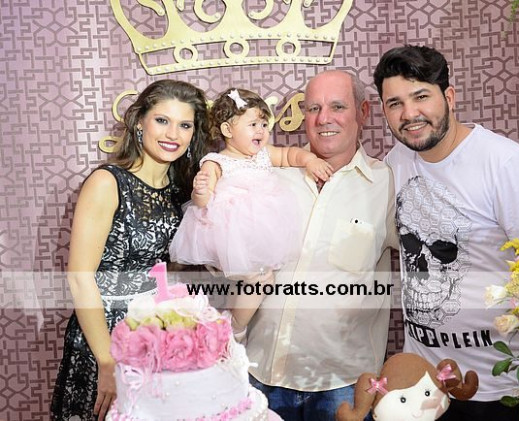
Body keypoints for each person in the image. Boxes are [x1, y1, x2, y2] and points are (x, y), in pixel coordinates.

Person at [373, 45, 519, 420]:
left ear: (449, 97)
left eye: (421, 96)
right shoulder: (395, 163)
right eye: (395, 103)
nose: (409, 114)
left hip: (503, 389)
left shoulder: (506, 164)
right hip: (424, 388)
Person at [50, 79, 210, 421]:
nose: (173, 134)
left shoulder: (181, 190)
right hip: (104, 338)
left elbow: (168, 268)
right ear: (140, 122)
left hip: (153, 338)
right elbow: (80, 278)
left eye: (184, 125)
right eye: (162, 120)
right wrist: (107, 361)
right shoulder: (107, 182)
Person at [243, 70, 399, 421]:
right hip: (260, 376)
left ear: (363, 112)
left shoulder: (386, 183)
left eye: (337, 107)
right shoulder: (270, 176)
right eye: (314, 108)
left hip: (344, 386)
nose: (323, 118)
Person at [170, 87, 334, 336]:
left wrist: (310, 160)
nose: (261, 131)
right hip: (231, 233)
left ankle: (230, 320)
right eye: (253, 124)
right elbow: (202, 201)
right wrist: (200, 191)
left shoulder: (263, 155)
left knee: (252, 280)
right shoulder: (217, 161)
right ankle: (236, 327)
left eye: (264, 124)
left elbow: (290, 154)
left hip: (258, 233)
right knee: (260, 279)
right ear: (228, 130)